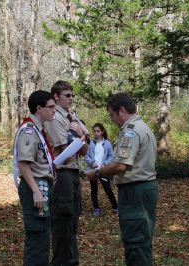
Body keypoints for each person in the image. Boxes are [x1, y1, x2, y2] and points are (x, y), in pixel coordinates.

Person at [85, 92, 158, 266]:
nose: (111, 119)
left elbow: (120, 165)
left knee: (135, 242)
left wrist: (97, 173)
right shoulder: (144, 127)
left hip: (134, 192)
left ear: (122, 110)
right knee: (143, 240)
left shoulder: (130, 132)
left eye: (111, 114)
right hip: (146, 189)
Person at [44, 80, 89, 266]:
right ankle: (62, 262)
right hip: (62, 174)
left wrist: (80, 133)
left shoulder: (73, 118)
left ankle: (71, 262)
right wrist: (80, 138)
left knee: (72, 223)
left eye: (72, 95)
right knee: (63, 223)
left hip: (74, 174)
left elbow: (85, 149)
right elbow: (65, 152)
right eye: (67, 95)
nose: (71, 99)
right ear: (56, 96)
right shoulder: (55, 118)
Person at [13, 90, 56, 266]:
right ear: (39, 108)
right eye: (51, 107)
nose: (54, 110)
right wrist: (36, 191)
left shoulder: (39, 129)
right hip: (36, 188)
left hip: (42, 185)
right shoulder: (29, 131)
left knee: (43, 236)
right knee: (37, 236)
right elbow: (23, 163)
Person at [84, 123, 118, 216]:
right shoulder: (91, 143)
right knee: (94, 189)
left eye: (98, 131)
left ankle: (116, 207)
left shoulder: (107, 143)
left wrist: (104, 163)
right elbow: (86, 156)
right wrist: (92, 163)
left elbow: (111, 156)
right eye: (94, 131)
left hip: (103, 170)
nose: (96, 133)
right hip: (92, 170)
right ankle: (96, 208)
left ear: (102, 131)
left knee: (107, 188)